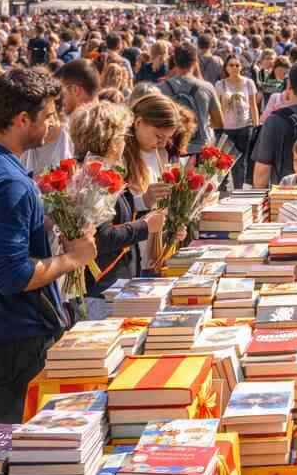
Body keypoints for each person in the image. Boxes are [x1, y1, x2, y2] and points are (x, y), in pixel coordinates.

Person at [0, 68, 97, 424]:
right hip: (12, 334)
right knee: (18, 451)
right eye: (47, 116)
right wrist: (73, 258)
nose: (53, 124)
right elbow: (12, 276)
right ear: (21, 118)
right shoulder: (8, 182)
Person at [69, 101, 164, 308]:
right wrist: (145, 227)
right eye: (122, 136)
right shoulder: (93, 178)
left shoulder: (94, 171)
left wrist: (143, 202)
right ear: (110, 139)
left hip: (110, 283)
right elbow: (100, 238)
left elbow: (112, 215)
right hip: (101, 287)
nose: (125, 142)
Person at [123, 93, 179, 275]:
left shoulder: (160, 154)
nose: (163, 142)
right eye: (158, 135)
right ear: (138, 122)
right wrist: (144, 200)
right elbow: (113, 212)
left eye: (168, 137)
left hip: (155, 255)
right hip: (129, 259)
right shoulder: (121, 155)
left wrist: (174, 227)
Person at [158, 44, 222, 157]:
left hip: (171, 147)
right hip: (201, 148)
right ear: (195, 61)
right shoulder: (207, 87)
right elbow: (219, 122)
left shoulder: (161, 88)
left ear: (175, 61)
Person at [215, 54, 258, 191]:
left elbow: (253, 105)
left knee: (241, 162)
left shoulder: (248, 83)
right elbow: (217, 109)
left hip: (245, 126)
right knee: (223, 160)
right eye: (231, 65)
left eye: (237, 65)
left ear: (242, 67)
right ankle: (222, 190)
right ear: (226, 67)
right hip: (226, 128)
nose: (234, 68)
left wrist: (256, 125)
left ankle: (238, 190)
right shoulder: (220, 84)